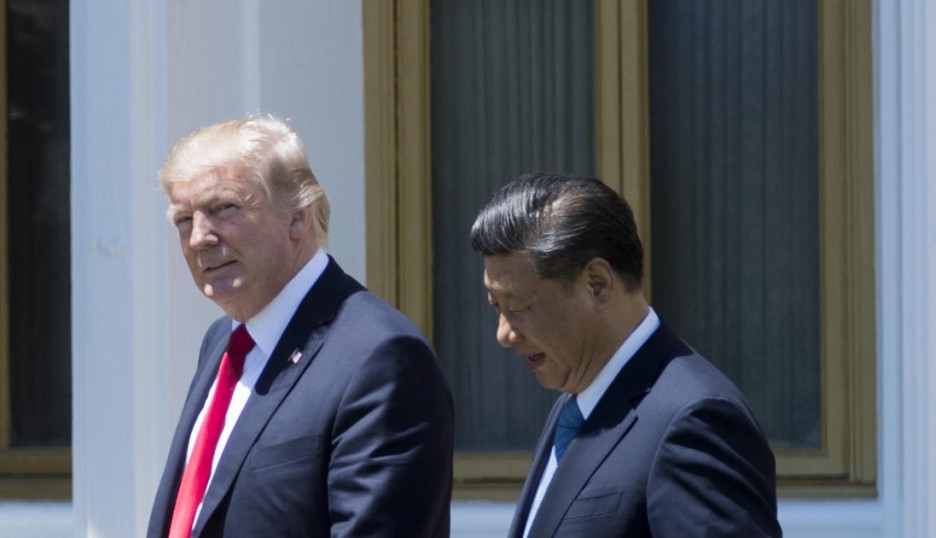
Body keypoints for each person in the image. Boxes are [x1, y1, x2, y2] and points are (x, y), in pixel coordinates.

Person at [147, 115, 454, 537]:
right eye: (184, 219)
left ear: (298, 216)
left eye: (224, 208)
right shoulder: (222, 341)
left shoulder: (381, 358)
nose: (199, 237)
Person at [470, 173, 781, 537]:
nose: (504, 334)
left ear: (596, 284)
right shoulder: (576, 403)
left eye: (517, 306)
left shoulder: (696, 420)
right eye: (495, 306)